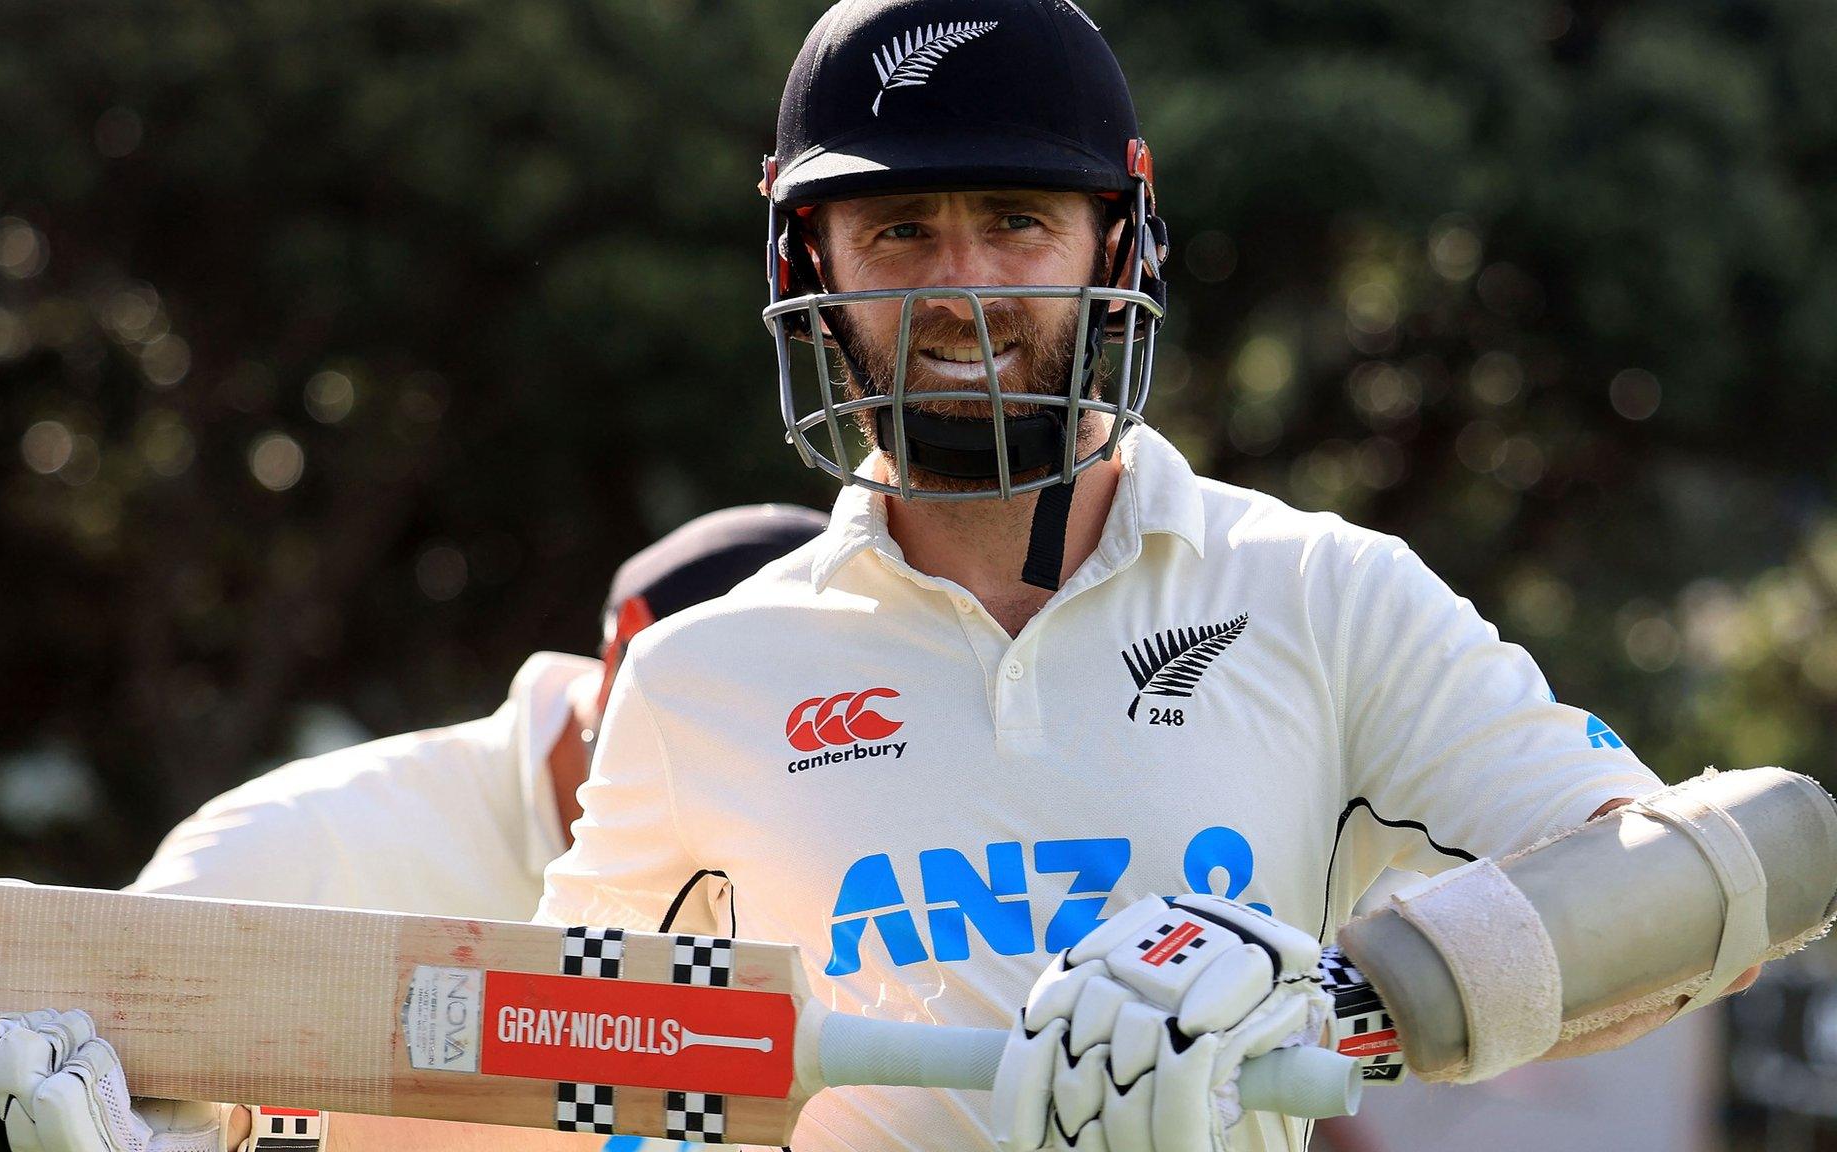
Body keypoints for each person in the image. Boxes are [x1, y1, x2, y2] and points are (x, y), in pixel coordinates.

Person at [538, 1, 1755, 1150]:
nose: (962, 291)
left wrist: (1330, 1005)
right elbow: (536, 1078)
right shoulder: (701, 676)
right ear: (812, 264)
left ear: (1116, 240)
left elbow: (1686, 901)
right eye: (899, 228)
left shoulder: (1322, 594)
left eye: (1017, 219)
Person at [0, 504, 825, 1152]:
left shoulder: (805, 856)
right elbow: (9, 1068)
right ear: (629, 657)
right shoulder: (305, 838)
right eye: (733, 711)